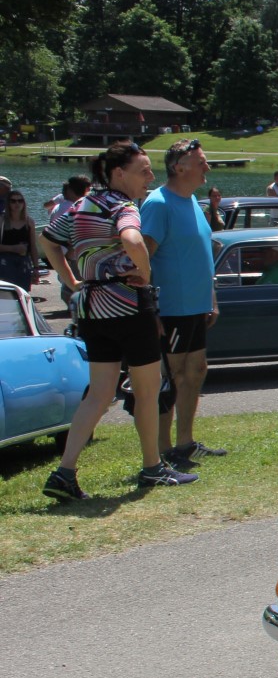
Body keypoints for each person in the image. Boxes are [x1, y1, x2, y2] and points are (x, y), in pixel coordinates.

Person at [39, 141, 199, 499]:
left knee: (98, 394)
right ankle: (153, 467)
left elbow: (48, 241)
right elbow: (132, 238)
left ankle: (64, 473)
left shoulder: (81, 205)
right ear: (118, 174)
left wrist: (71, 280)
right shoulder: (123, 206)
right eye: (143, 171)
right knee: (147, 390)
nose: (150, 177)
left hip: (92, 308)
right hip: (129, 308)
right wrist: (144, 273)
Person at [143, 138, 227, 467]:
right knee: (172, 376)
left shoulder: (191, 201)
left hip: (196, 307)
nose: (207, 166)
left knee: (196, 371)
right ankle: (163, 451)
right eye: (201, 161)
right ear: (180, 167)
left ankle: (185, 443)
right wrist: (152, 312)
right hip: (171, 309)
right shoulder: (158, 204)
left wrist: (212, 299)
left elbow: (203, 256)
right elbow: (141, 261)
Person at [0, 188, 39, 290]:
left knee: (23, 291)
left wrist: (36, 267)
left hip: (23, 262)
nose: (17, 204)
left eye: (20, 200)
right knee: (7, 292)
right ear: (8, 203)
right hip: (5, 262)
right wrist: (14, 248)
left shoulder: (29, 222)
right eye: (13, 201)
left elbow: (33, 247)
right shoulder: (2, 221)